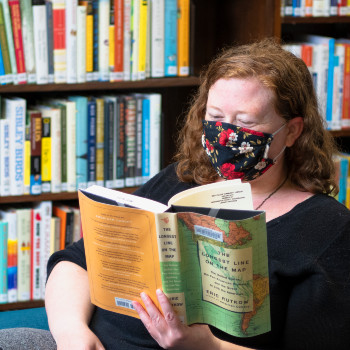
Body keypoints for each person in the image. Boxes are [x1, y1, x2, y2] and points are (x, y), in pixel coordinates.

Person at [43, 38, 350, 350]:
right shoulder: (182, 179)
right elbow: (77, 261)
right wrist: (73, 334)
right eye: (215, 117)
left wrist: (208, 346)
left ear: (294, 130)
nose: (226, 134)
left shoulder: (328, 229)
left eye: (245, 122)